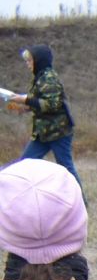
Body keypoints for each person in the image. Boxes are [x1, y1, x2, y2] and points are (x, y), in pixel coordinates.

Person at [6, 46, 78, 182]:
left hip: (58, 132)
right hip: (43, 133)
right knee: (25, 164)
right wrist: (22, 107)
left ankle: (80, 201)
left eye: (30, 61)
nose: (27, 64)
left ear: (39, 61)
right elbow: (38, 101)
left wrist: (25, 99)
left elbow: (52, 105)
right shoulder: (40, 77)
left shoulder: (49, 78)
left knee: (66, 169)